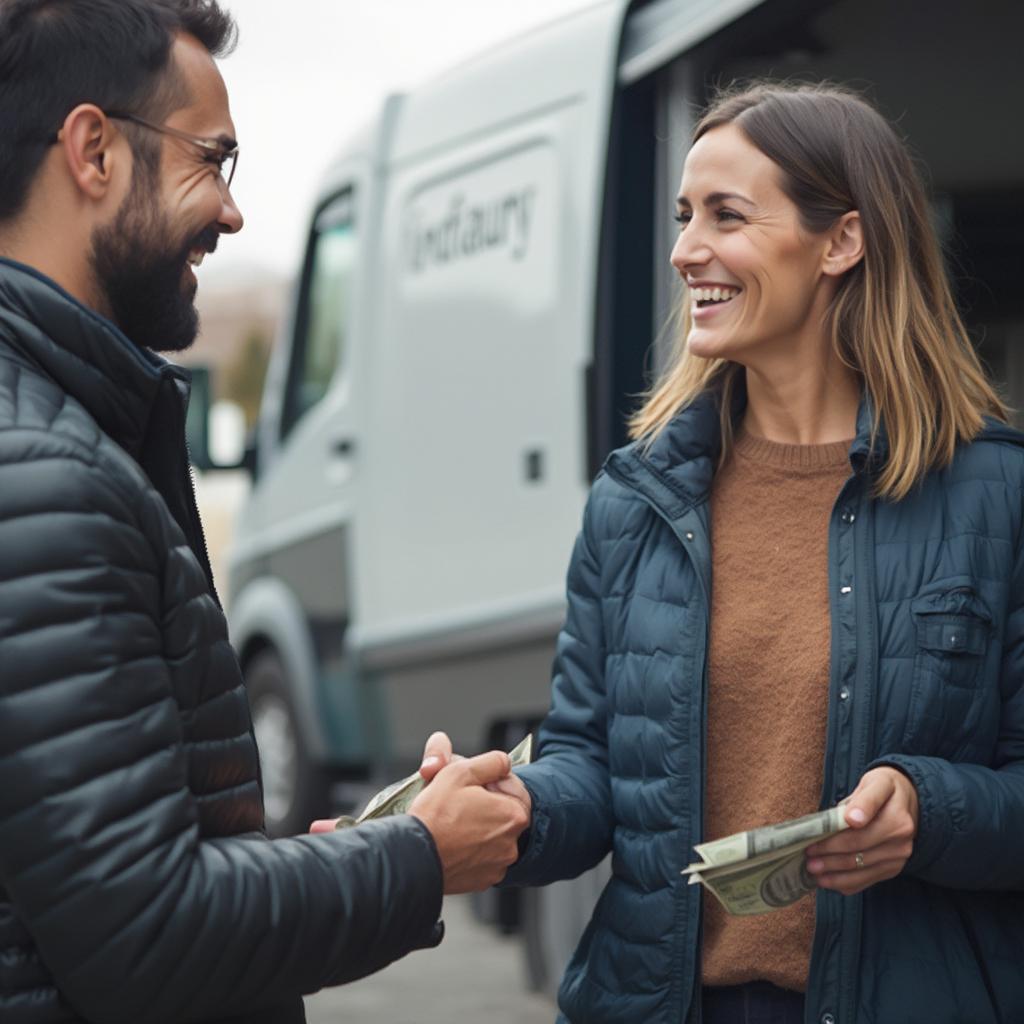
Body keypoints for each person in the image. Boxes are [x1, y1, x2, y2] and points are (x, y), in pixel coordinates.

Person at [421, 82, 1024, 1023]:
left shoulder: (998, 497)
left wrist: (927, 808)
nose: (683, 250)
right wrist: (512, 808)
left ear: (842, 242)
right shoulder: (636, 500)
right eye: (683, 216)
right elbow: (594, 764)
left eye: (726, 216)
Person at [0, 2, 528, 1022]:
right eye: (213, 159)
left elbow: (95, 871)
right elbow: (146, 935)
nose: (231, 213)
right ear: (93, 150)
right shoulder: (47, 480)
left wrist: (311, 862)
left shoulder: (63, 438)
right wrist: (417, 857)